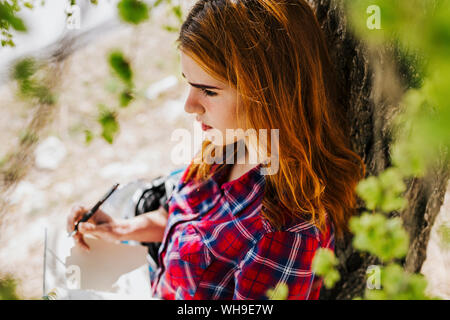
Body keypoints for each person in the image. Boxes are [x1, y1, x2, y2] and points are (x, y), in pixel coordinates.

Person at [67, 0, 365, 300]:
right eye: (189, 84)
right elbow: (184, 219)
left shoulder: (285, 234)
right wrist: (122, 229)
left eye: (208, 91)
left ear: (268, 93)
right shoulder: (233, 144)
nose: (188, 105)